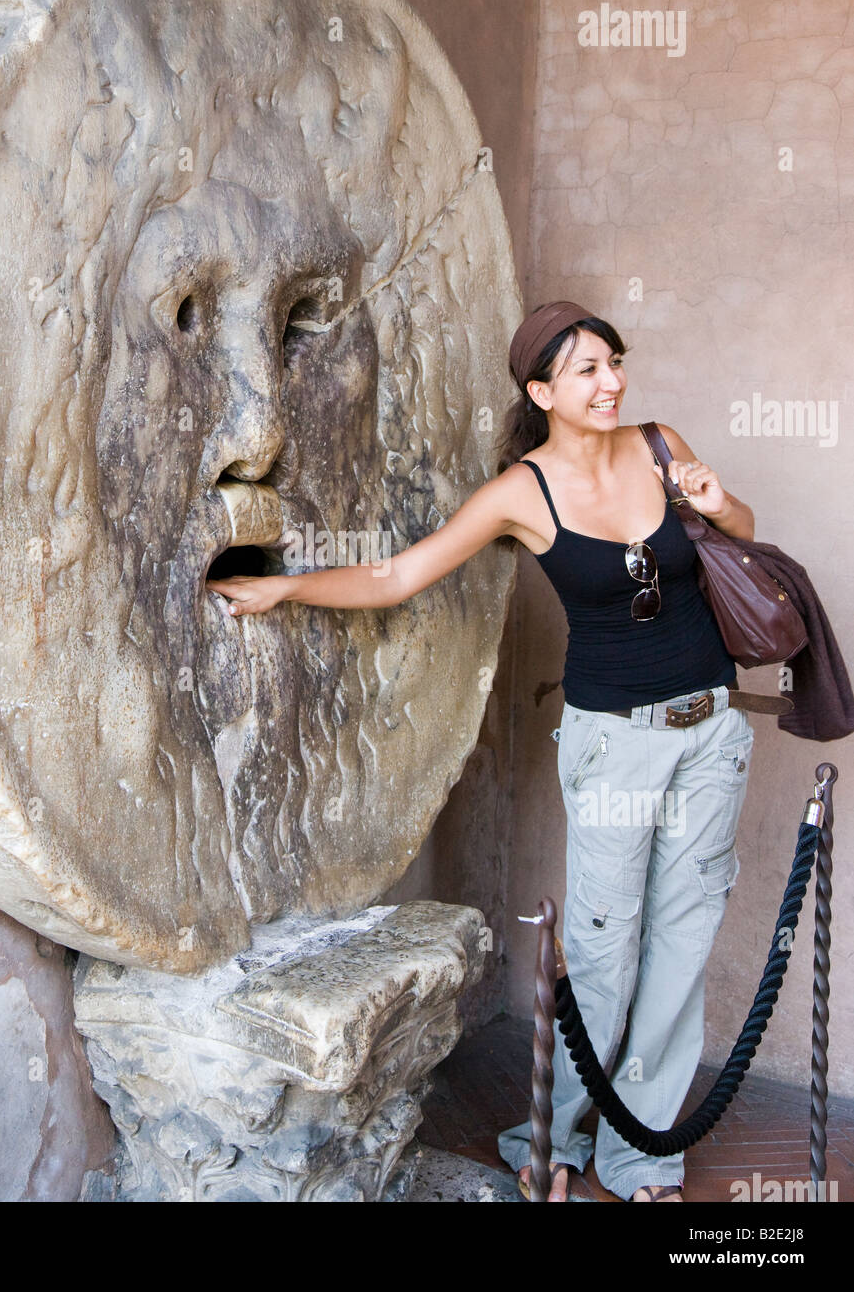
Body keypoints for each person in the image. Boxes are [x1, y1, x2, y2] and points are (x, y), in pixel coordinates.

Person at [206, 300, 756, 1204]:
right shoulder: (520, 493)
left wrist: (716, 503)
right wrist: (285, 589)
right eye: (586, 370)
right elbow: (397, 575)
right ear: (541, 391)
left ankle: (642, 1157)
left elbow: (739, 531)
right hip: (613, 745)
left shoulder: (658, 444)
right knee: (605, 949)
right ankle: (554, 1134)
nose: (610, 381)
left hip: (709, 734)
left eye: (613, 362)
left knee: (681, 948)